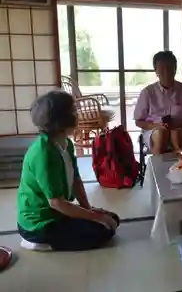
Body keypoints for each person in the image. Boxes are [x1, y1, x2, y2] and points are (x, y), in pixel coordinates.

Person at [18, 90, 120, 251]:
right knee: (103, 230)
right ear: (61, 120)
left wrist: (89, 209)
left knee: (112, 219)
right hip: (39, 223)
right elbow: (56, 202)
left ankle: (60, 235)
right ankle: (38, 242)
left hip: (57, 213)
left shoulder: (66, 143)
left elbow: (76, 180)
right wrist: (96, 218)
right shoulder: (43, 153)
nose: (77, 115)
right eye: (73, 111)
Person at [134, 51, 182, 154]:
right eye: (162, 68)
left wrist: (181, 124)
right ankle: (159, 167)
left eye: (169, 68)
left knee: (176, 134)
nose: (166, 72)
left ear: (175, 69)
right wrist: (156, 126)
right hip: (154, 131)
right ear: (156, 71)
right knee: (161, 134)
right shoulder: (147, 92)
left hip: (180, 129)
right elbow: (138, 121)